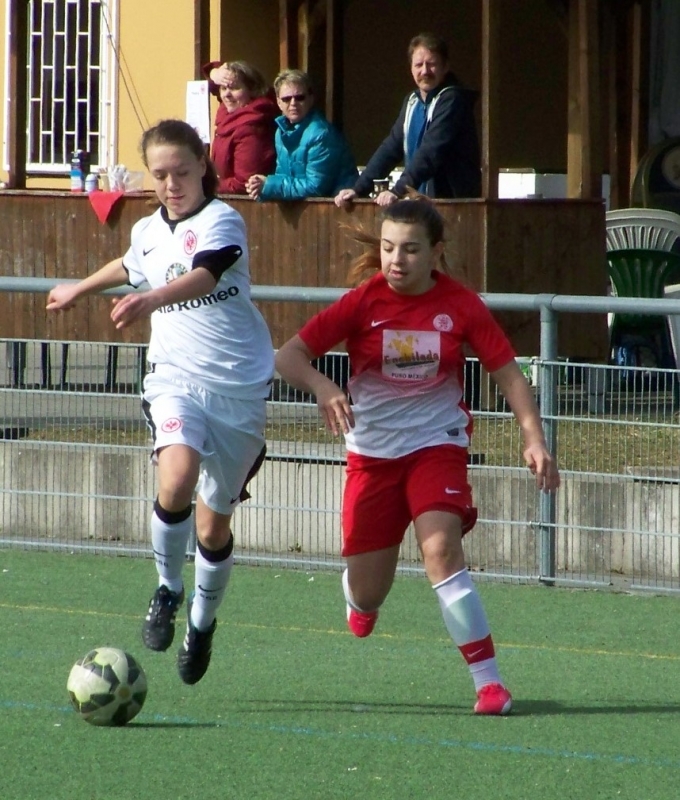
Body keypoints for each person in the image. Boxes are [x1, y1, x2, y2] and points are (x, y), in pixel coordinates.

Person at [274, 197, 560, 715]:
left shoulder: (461, 305)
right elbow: (289, 356)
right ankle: (359, 599)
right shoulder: (362, 302)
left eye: (409, 249)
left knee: (441, 550)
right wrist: (323, 386)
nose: (396, 260)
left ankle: (489, 684)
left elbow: (509, 375)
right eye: (388, 248)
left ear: (436, 253)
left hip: (436, 445)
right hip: (372, 456)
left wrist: (534, 438)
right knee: (368, 593)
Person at [46, 119, 274, 685]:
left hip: (238, 389)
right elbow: (130, 265)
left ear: (203, 166)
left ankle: (201, 625)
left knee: (213, 529)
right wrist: (78, 288)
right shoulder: (147, 229)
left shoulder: (223, 220)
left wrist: (152, 299)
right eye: (160, 174)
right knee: (176, 476)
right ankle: (168, 589)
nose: (172, 184)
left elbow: (205, 275)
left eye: (181, 172)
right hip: (174, 378)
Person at [335, 33, 481, 208]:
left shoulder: (453, 100)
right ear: (411, 68)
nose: (425, 71)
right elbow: (391, 148)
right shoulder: (412, 101)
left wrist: (398, 191)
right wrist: (359, 189)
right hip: (421, 204)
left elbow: (430, 152)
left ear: (445, 67)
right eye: (418, 65)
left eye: (432, 64)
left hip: (453, 205)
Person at [245, 69, 358, 201]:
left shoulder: (321, 134)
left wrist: (269, 184)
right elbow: (283, 177)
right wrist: (260, 188)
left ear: (310, 99)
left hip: (338, 207)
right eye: (286, 99)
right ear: (278, 102)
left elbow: (316, 188)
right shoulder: (280, 132)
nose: (293, 103)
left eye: (299, 97)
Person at [202, 60, 277, 194]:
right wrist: (215, 73)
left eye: (234, 88)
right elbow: (213, 80)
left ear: (252, 90)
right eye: (223, 88)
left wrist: (206, 185)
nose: (226, 94)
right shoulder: (231, 111)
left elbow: (243, 183)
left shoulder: (252, 128)